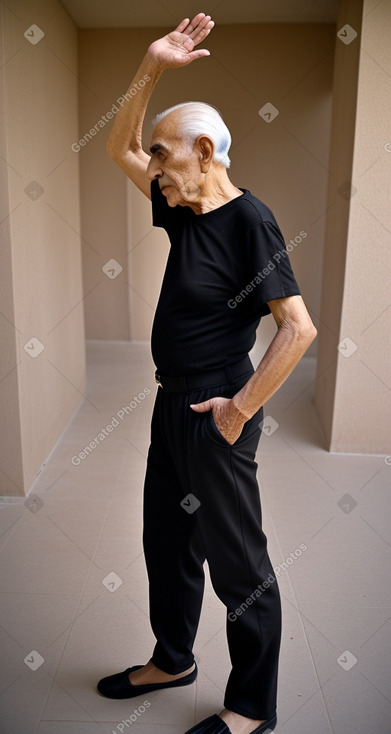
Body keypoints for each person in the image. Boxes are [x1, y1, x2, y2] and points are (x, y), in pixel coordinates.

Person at [97, 13, 317, 734]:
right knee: (165, 541)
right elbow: (118, 144)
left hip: (214, 413)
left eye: (165, 156)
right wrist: (151, 64)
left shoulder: (250, 220)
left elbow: (296, 327)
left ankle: (251, 706)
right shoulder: (182, 210)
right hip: (170, 406)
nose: (152, 168)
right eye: (155, 160)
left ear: (202, 149)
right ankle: (173, 659)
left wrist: (237, 412)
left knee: (238, 567)